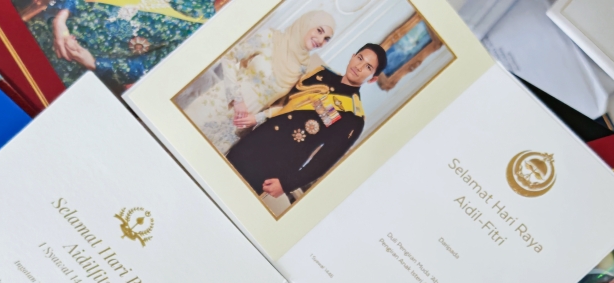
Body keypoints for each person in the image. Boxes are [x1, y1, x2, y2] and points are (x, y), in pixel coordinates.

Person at [226, 44, 387, 204]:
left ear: (372, 79)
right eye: (359, 58)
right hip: (257, 139)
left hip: (277, 164)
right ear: (352, 56)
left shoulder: (353, 117)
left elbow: (325, 159)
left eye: (367, 67)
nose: (358, 67)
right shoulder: (321, 75)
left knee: (235, 202)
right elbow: (284, 104)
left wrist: (287, 184)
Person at [183, 10, 335, 154]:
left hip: (237, 127)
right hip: (218, 104)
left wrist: (258, 118)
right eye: (319, 31)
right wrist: (237, 100)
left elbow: (284, 105)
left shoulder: (305, 70)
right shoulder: (269, 38)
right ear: (306, 24)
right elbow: (229, 57)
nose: (321, 40)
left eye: (327, 39)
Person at [26, 0, 231, 93]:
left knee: (17, 94)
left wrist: (93, 62)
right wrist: (61, 15)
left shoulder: (203, 25)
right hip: (46, 26)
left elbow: (146, 67)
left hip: (71, 68)